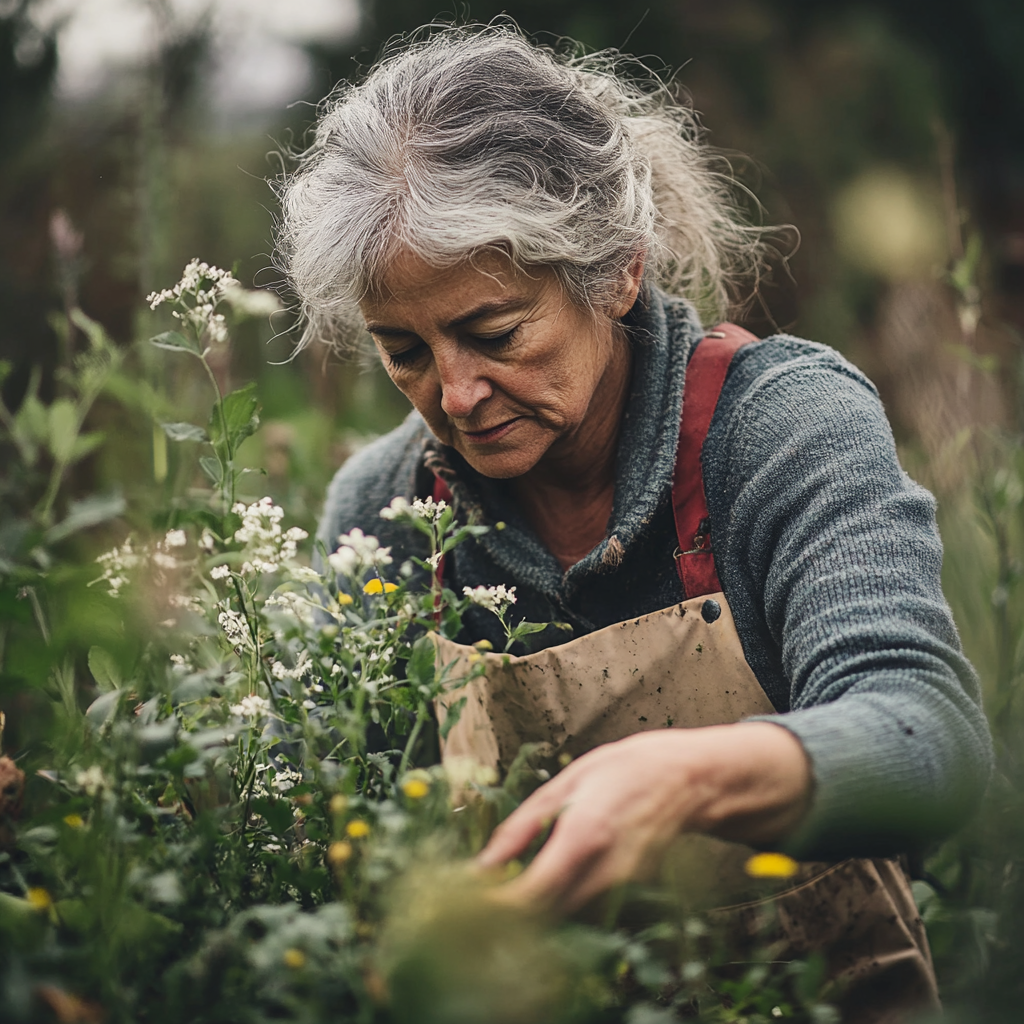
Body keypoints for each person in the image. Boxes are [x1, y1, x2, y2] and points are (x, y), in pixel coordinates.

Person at [277, 24, 992, 1020]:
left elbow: (929, 739)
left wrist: (687, 776)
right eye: (403, 349)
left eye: (493, 333)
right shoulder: (389, 513)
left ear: (615, 269)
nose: (456, 392)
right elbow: (311, 829)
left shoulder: (776, 431)